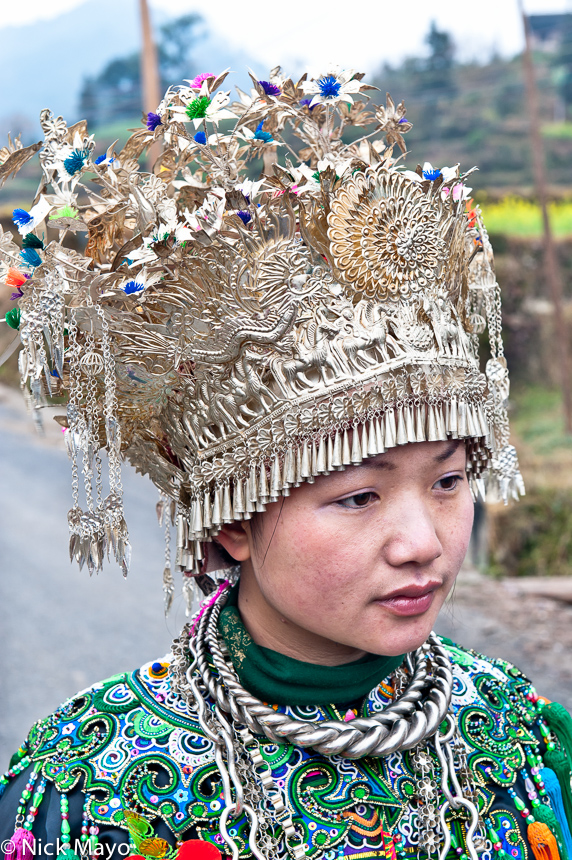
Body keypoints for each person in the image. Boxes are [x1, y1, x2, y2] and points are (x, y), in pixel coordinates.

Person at [1, 65, 571, 860]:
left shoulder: (517, 734)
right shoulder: (92, 779)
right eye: (358, 496)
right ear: (234, 522)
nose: (424, 542)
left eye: (447, 481)